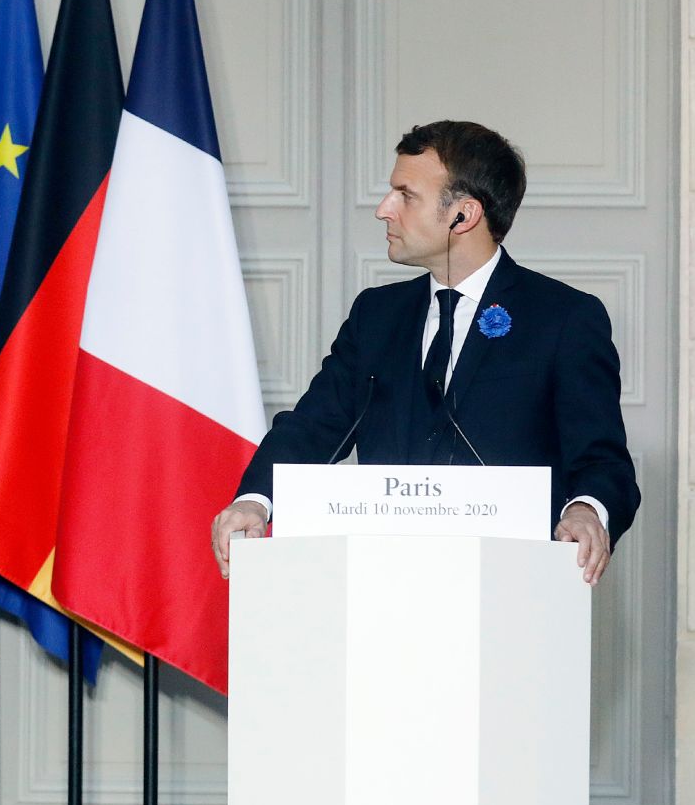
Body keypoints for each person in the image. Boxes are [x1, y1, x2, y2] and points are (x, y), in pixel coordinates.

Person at [212, 120, 637, 586]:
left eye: (405, 195)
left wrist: (585, 510)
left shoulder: (563, 318)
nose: (383, 210)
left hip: (513, 592)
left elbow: (601, 461)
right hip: (381, 585)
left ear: (464, 215)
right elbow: (314, 427)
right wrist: (256, 500)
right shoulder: (377, 315)